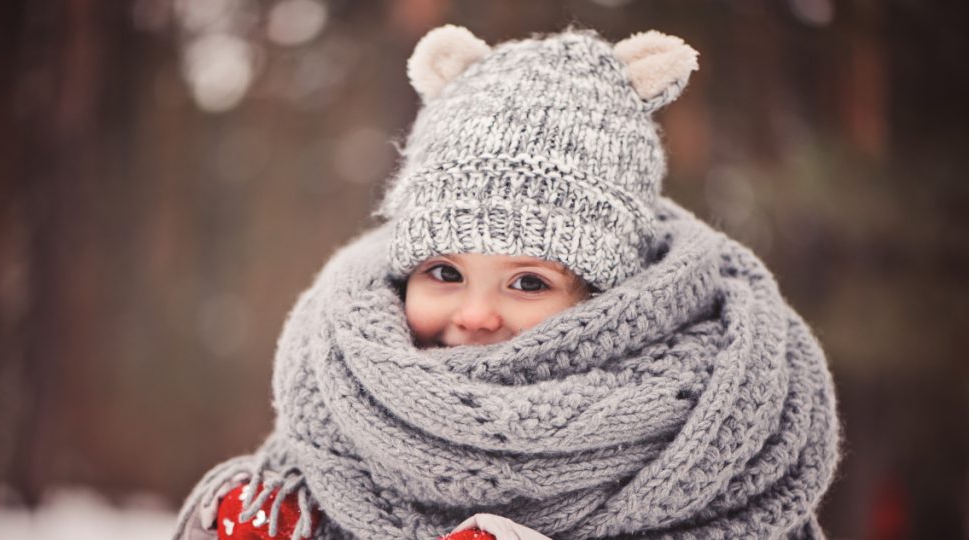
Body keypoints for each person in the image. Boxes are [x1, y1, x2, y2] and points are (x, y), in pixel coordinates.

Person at [175, 25, 840, 540]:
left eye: (527, 282)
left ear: (612, 301)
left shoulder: (722, 441)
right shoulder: (335, 423)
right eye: (444, 273)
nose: (476, 313)